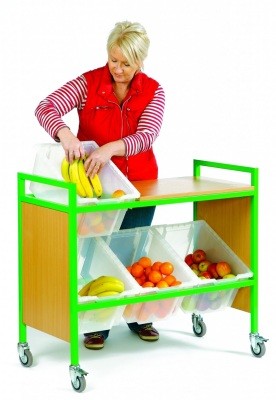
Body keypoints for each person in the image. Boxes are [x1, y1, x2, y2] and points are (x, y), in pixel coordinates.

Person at [35, 21, 165, 350]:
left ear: (140, 62)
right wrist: (64, 133)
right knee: (97, 250)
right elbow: (45, 107)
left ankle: (138, 314)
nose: (117, 69)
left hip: (140, 183)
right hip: (96, 186)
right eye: (113, 60)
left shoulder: (154, 90)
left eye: (126, 63)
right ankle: (98, 320)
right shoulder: (88, 83)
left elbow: (147, 135)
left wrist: (111, 148)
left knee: (133, 249)